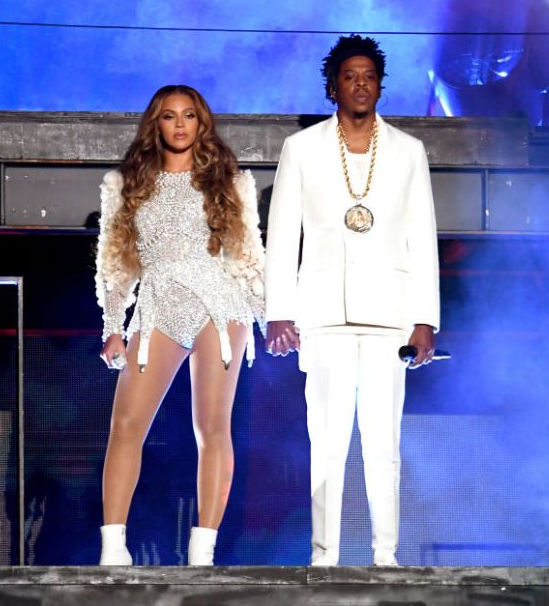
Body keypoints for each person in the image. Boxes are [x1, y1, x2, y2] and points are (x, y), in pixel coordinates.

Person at [264, 35, 440, 567]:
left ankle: (386, 556)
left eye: (368, 75)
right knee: (328, 443)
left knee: (383, 443)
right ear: (333, 86)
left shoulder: (409, 151)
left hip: (390, 317)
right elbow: (283, 231)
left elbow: (422, 236)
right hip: (324, 316)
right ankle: (324, 556)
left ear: (379, 84)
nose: (360, 83)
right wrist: (279, 311)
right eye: (349, 75)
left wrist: (425, 319)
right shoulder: (303, 148)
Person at [94, 85, 265, 566]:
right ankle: (113, 547)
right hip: (158, 306)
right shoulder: (125, 185)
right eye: (170, 116)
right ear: (157, 124)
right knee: (126, 424)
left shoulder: (229, 183)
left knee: (212, 426)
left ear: (201, 123)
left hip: (219, 304)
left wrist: (272, 318)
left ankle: (202, 551)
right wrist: (112, 323)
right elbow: (116, 261)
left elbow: (248, 255)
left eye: (189, 115)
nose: (180, 124)